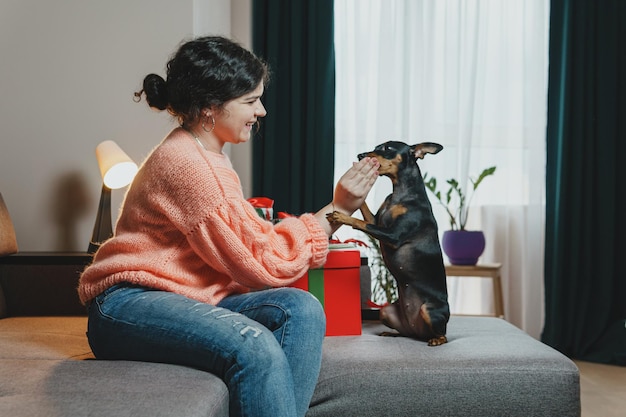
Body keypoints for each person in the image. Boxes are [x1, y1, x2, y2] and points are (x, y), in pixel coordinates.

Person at [78, 36, 379, 417]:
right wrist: (337, 209)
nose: (263, 111)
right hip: (128, 306)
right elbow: (263, 264)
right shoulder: (191, 166)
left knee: (302, 309)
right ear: (209, 108)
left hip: (187, 295)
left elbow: (250, 248)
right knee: (253, 345)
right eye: (251, 101)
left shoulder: (206, 154)